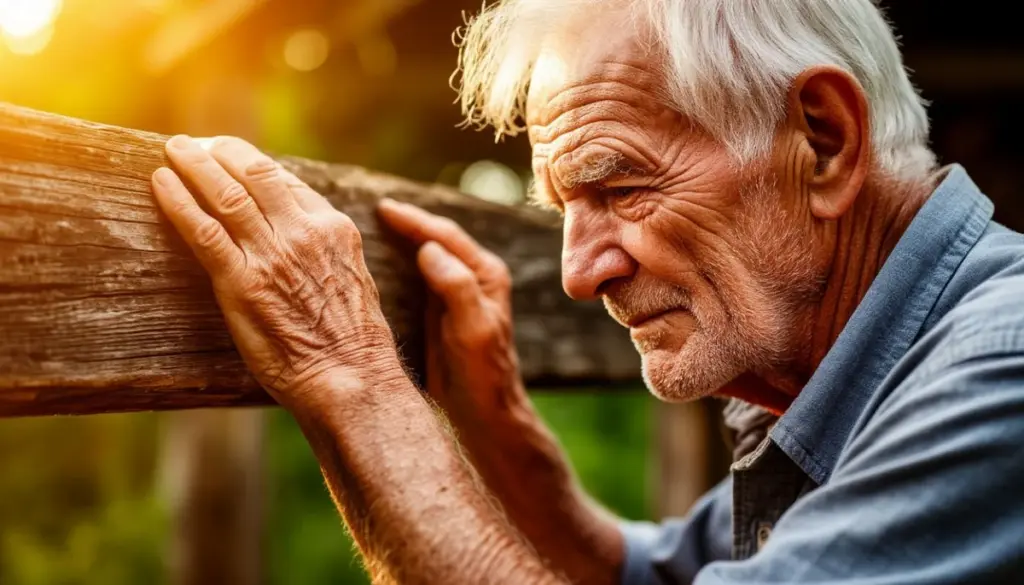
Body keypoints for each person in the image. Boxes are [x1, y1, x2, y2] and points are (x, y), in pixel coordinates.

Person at [149, 0, 1024, 583]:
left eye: (619, 187)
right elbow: (642, 573)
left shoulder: (999, 363)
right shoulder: (860, 377)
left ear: (823, 141)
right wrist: (501, 435)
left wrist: (353, 378)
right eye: (565, 207)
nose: (579, 272)